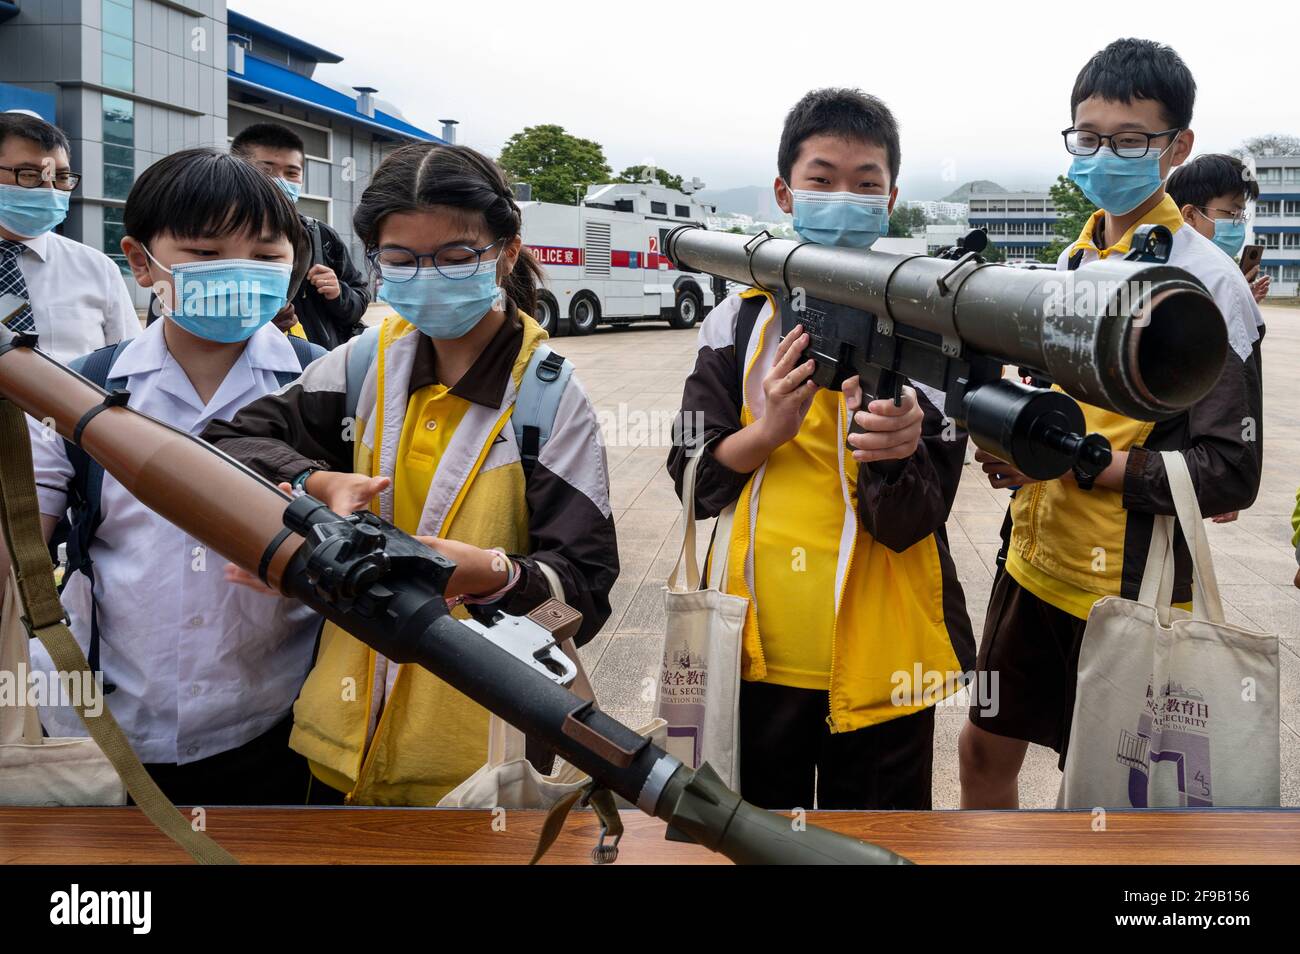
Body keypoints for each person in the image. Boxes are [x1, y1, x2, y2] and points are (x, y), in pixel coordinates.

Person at [202, 142, 618, 805]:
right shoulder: (364, 363)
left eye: (457, 258)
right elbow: (228, 440)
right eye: (400, 260)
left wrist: (494, 574)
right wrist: (319, 487)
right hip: (336, 746)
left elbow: (585, 587)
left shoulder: (546, 395)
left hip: (478, 768)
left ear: (506, 252)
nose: (428, 277)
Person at [960, 39, 1265, 809]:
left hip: (1133, 589)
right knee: (980, 753)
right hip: (1031, 564)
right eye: (1088, 138)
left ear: (1177, 147)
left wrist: (1080, 463)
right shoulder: (1069, 261)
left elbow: (1230, 471)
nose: (1105, 154)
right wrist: (1013, 443)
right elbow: (1047, 405)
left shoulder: (1207, 284)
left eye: (1130, 141)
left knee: (1106, 798)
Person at [666, 88, 974, 811]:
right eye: (823, 178)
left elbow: (913, 523)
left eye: (866, 184)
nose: (845, 196)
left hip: (884, 668)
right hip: (753, 656)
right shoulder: (736, 320)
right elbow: (691, 477)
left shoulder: (930, 328)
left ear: (891, 197)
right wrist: (764, 431)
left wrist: (898, 457)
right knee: (753, 837)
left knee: (877, 846)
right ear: (784, 191)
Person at [0, 148, 324, 804]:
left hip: (276, 722)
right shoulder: (84, 386)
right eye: (204, 253)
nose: (237, 270)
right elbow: (19, 540)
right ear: (142, 261)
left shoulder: (325, 383)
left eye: (265, 256)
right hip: (101, 726)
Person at [1167, 152, 1269, 523]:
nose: (1238, 225)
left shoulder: (1222, 278)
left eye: (1242, 215)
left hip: (1174, 478)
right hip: (1162, 477)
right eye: (1231, 213)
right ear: (1190, 215)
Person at [0, 111, 137, 364]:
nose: (49, 191)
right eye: (29, 175)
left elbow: (129, 366)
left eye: (61, 177)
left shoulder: (97, 268)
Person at [231, 122, 370, 350]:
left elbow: (359, 297)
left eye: (291, 172)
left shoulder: (321, 236)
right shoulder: (206, 238)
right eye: (266, 169)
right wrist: (255, 328)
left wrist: (338, 293)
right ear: (238, 169)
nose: (281, 180)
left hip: (316, 369)